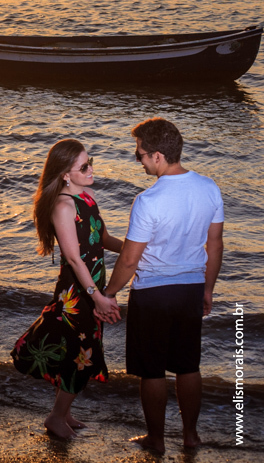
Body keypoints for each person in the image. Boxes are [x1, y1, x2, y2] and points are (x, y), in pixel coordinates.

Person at [103, 118, 224, 454]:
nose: (138, 160)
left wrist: (108, 294)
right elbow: (215, 246)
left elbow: (128, 260)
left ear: (157, 156)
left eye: (140, 154)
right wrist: (208, 289)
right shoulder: (209, 187)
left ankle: (156, 439)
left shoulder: (148, 200)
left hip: (153, 294)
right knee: (188, 365)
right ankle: (190, 436)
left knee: (152, 370)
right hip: (190, 289)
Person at [12, 139, 123, 439]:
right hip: (78, 293)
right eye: (83, 166)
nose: (91, 169)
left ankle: (63, 412)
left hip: (92, 287)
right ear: (65, 174)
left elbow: (104, 239)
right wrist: (96, 296)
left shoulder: (86, 199)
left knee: (80, 351)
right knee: (84, 354)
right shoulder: (63, 206)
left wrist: (136, 251)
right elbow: (74, 258)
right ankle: (56, 417)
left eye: (90, 162)